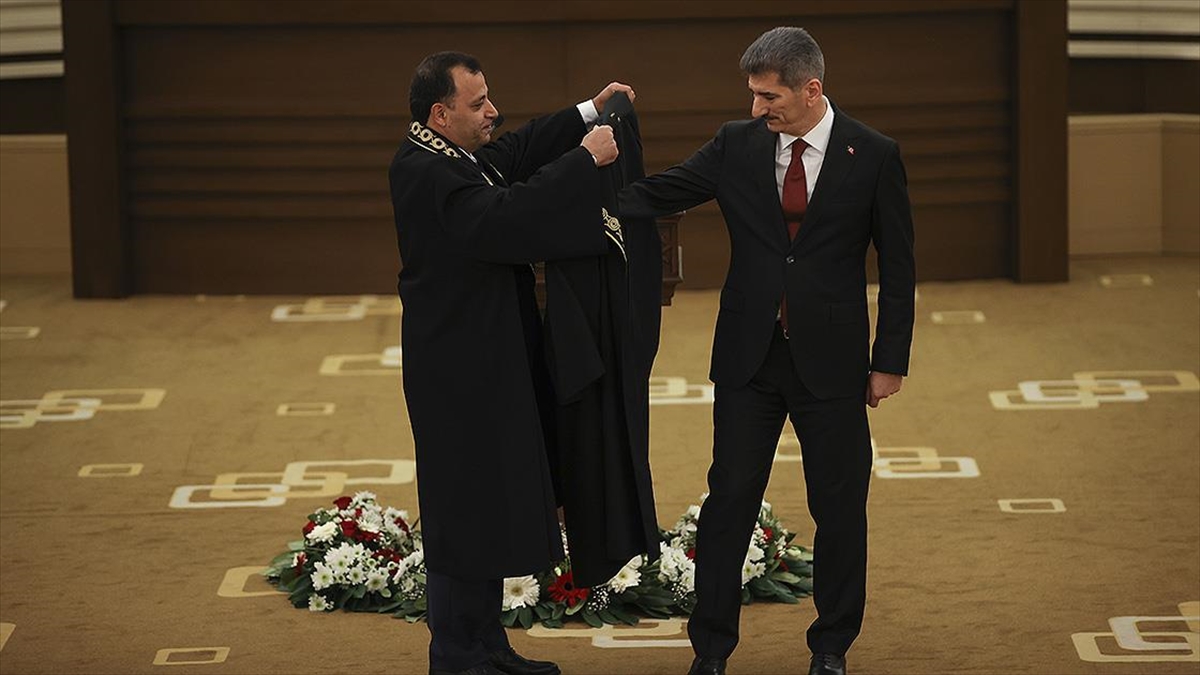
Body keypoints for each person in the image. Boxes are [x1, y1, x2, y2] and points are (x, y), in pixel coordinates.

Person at [618, 27, 916, 675]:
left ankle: (831, 645)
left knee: (838, 506)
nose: (758, 108)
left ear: (812, 90)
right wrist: (566, 197)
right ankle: (712, 650)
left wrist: (889, 357)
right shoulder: (736, 143)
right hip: (748, 359)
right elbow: (659, 192)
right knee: (728, 501)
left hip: (834, 362)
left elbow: (898, 265)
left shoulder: (874, 153)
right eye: (753, 95)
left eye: (769, 96)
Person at [388, 51, 633, 675]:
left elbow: (515, 154)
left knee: (487, 505)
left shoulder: (451, 155)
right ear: (440, 114)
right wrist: (586, 160)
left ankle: (486, 647)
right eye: (478, 104)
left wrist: (586, 112)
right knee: (461, 511)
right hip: (456, 375)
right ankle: (455, 653)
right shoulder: (426, 172)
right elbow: (504, 215)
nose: (492, 110)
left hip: (485, 362)